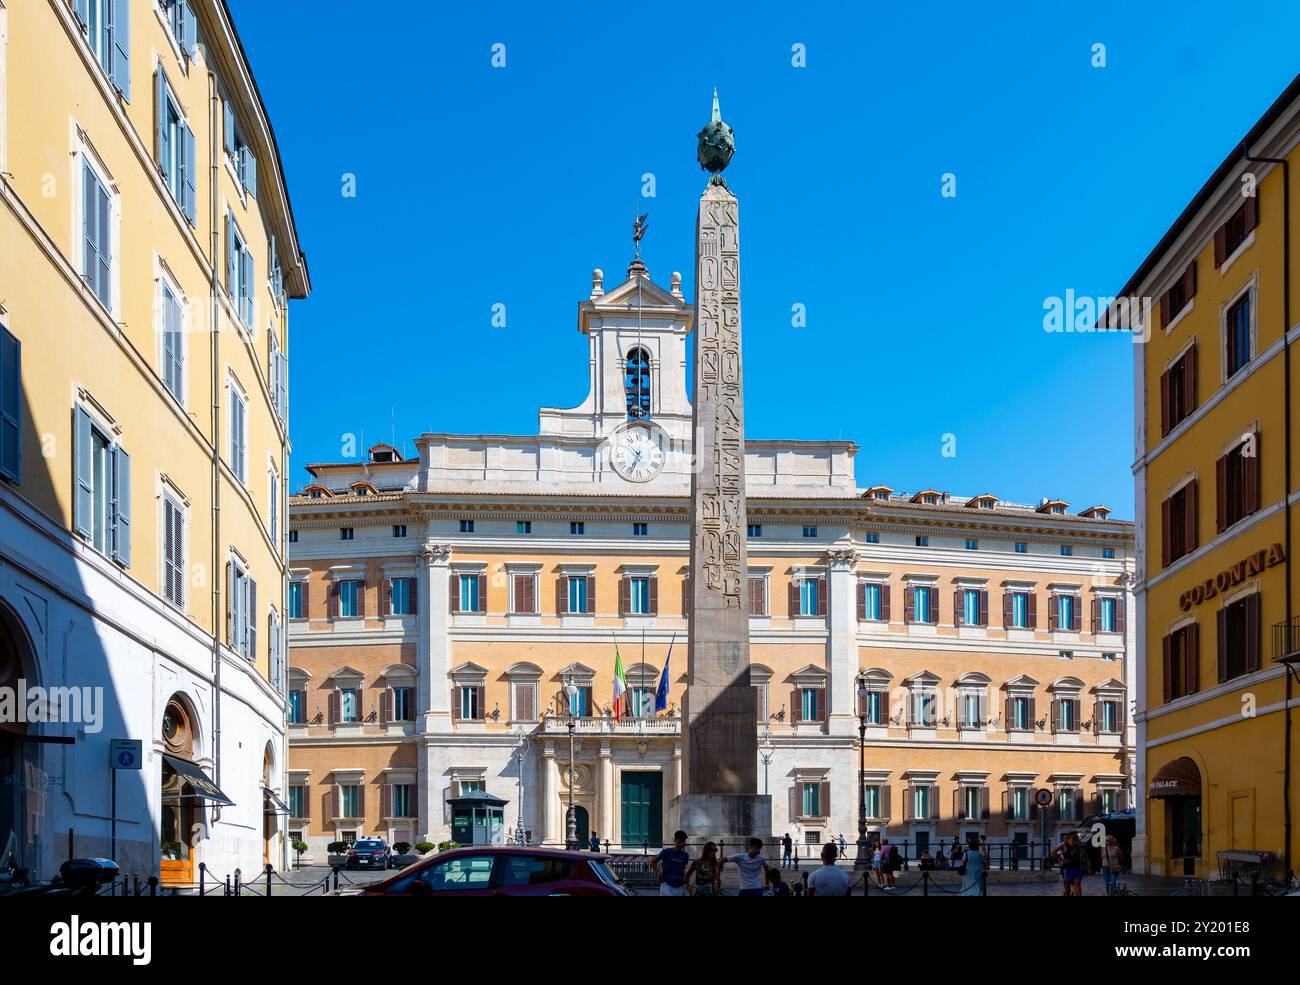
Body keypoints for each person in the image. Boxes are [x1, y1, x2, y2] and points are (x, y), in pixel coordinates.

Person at [652, 830, 691, 896]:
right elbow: (652, 862)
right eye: (680, 841)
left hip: (680, 885)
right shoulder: (666, 852)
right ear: (675, 840)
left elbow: (683, 869)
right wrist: (657, 872)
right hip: (667, 884)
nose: (682, 844)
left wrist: (687, 884)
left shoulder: (685, 855)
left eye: (683, 842)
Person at [1053, 832, 1084, 897]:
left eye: (1077, 836)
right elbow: (1054, 851)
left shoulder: (1078, 845)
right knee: (1067, 887)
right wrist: (1062, 859)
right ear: (1071, 837)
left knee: (1077, 884)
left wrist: (1087, 864)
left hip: (1077, 867)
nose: (1076, 837)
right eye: (1075, 836)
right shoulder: (1064, 845)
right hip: (1067, 868)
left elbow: (1084, 854)